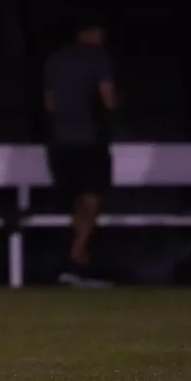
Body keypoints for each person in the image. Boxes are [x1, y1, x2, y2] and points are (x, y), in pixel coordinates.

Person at [43, 21, 119, 286]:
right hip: (89, 140)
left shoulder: (56, 59)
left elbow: (50, 103)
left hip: (60, 142)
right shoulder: (98, 57)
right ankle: (75, 261)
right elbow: (108, 100)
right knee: (90, 200)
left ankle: (77, 265)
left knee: (79, 202)